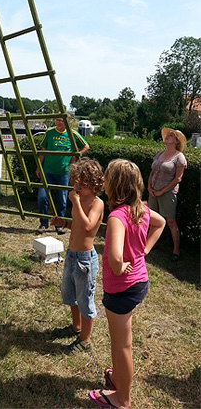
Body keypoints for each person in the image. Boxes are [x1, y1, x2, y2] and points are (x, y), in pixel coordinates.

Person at [89, 159, 165, 409]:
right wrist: (145, 250)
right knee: (121, 341)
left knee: (122, 344)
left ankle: (122, 399)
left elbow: (115, 256)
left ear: (113, 186)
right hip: (139, 282)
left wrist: (120, 265)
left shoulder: (116, 217)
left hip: (122, 288)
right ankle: (119, 378)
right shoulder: (141, 209)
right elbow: (161, 222)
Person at [50, 158, 104, 353]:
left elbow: (88, 225)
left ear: (95, 184)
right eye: (75, 182)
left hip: (85, 260)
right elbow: (78, 225)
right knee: (71, 295)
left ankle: (85, 339)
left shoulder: (96, 203)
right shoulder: (79, 200)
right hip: (72, 255)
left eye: (82, 184)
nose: (77, 187)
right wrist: (64, 223)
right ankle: (76, 326)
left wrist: (76, 203)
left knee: (85, 300)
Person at [36, 117, 89, 235]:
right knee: (42, 197)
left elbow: (86, 146)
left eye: (61, 120)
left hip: (64, 172)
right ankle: (43, 224)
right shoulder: (49, 132)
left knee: (62, 199)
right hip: (47, 171)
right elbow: (43, 150)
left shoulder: (72, 134)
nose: (59, 122)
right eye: (57, 120)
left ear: (67, 122)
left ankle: (59, 225)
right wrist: (39, 167)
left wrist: (76, 155)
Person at [148, 127, 187, 261]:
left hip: (168, 194)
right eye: (167, 135)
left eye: (171, 135)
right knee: (151, 219)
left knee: (170, 221)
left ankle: (176, 251)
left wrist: (162, 191)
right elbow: (152, 172)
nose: (167, 137)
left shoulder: (179, 157)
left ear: (176, 141)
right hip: (153, 192)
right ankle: (154, 242)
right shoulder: (159, 154)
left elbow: (178, 179)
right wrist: (149, 188)